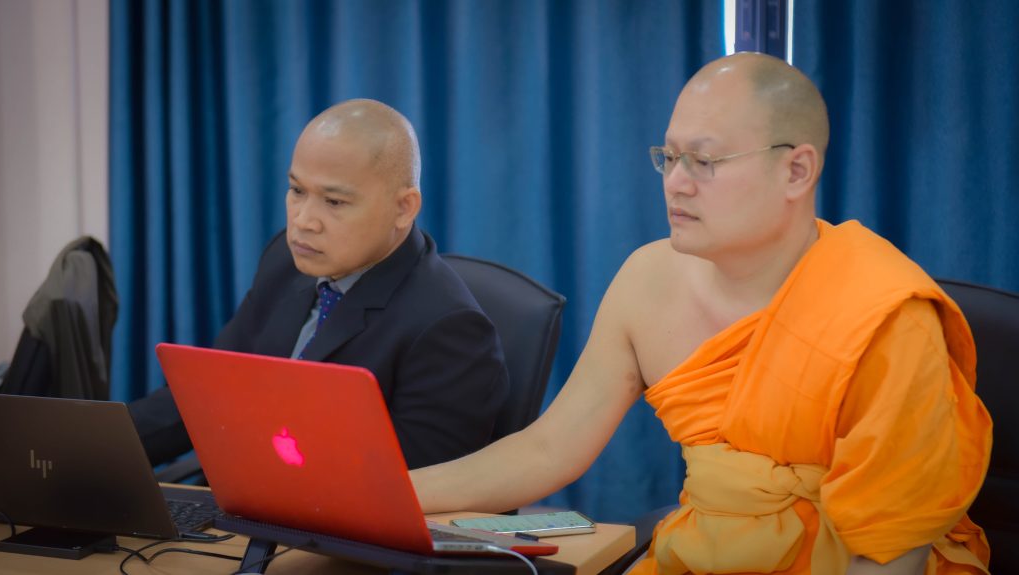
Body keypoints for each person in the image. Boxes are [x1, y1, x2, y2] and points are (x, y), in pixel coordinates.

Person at [410, 53, 992, 574]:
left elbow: (890, 551)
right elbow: (549, 450)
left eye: (704, 161)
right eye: (669, 157)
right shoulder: (648, 278)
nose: (676, 184)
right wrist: (390, 491)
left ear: (797, 171)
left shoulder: (885, 315)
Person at [129, 99, 509, 471]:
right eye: (297, 191)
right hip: (249, 489)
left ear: (404, 208)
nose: (304, 221)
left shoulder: (450, 330)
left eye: (335, 202)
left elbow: (408, 489)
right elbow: (210, 392)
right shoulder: (286, 261)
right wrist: (104, 448)